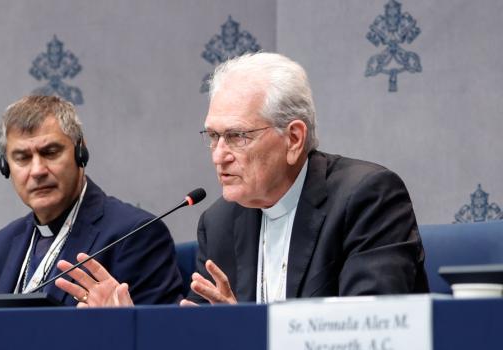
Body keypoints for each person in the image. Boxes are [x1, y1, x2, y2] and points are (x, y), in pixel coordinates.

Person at [55, 52, 429, 306]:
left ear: (294, 139)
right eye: (213, 137)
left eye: (237, 136)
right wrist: (131, 327)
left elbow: (368, 335)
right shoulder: (219, 222)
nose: (219, 155)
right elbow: (201, 339)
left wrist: (245, 334)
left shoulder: (366, 197)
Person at [0, 95, 183, 306]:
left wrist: (119, 322)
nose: (38, 170)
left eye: (50, 153)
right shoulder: (0, 247)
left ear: (80, 152)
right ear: (6, 166)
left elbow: (160, 334)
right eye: (22, 158)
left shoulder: (135, 235)